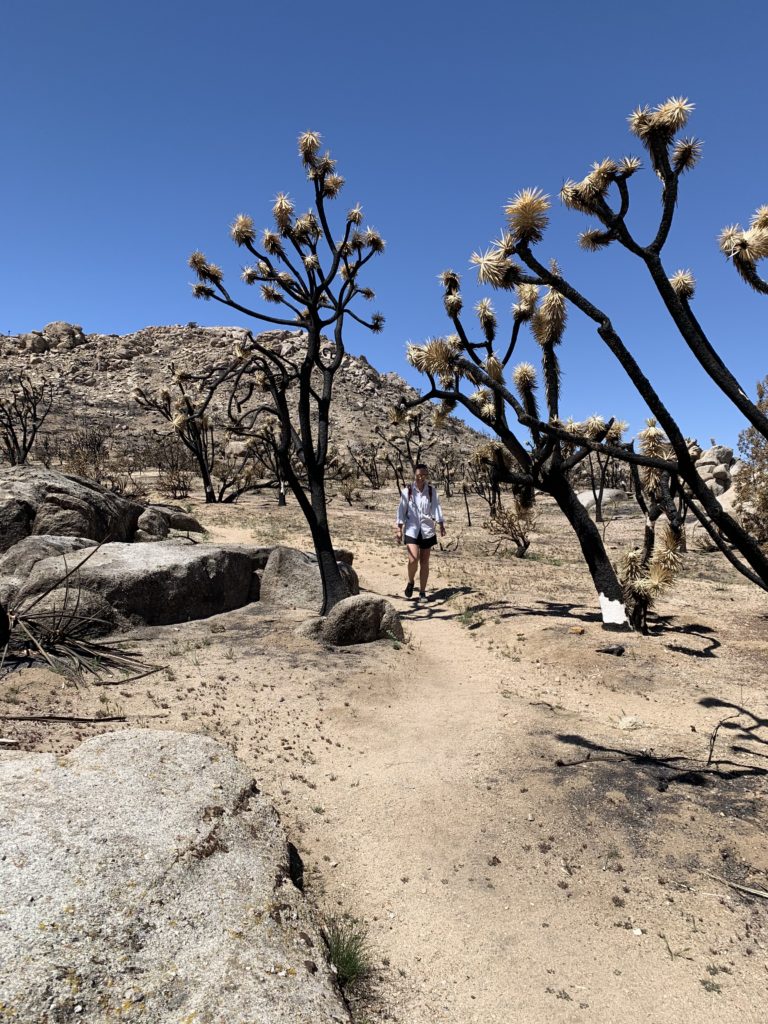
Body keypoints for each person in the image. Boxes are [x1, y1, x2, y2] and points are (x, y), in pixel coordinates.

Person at [395, 463, 446, 600]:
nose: (421, 478)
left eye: (424, 475)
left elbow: (436, 507)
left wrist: (441, 524)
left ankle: (422, 592)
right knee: (413, 559)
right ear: (414, 474)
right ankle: (411, 581)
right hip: (411, 529)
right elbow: (401, 510)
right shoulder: (408, 491)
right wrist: (399, 529)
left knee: (424, 561)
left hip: (427, 529)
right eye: (418, 475)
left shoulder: (431, 491)